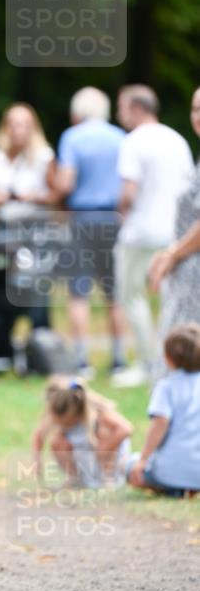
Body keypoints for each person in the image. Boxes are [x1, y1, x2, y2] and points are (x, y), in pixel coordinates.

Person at [112, 84, 195, 387]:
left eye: (121, 107)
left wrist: (119, 215)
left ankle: (149, 362)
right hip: (175, 233)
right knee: (170, 300)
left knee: (132, 295)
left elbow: (128, 193)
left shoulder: (133, 141)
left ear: (136, 108)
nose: (119, 113)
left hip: (139, 233)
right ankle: (177, 359)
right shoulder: (177, 140)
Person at [54, 87, 127, 378]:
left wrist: (57, 195)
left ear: (77, 111)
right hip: (114, 218)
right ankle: (120, 361)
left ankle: (82, 360)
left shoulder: (72, 138)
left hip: (82, 218)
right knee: (115, 292)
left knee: (78, 291)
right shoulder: (120, 138)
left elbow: (66, 183)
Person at [0, 102, 57, 337]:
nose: (19, 130)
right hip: (5, 229)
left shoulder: (44, 157)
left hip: (36, 230)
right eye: (14, 125)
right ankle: (1, 336)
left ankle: (39, 335)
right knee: (2, 282)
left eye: (24, 125)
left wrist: (33, 197)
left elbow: (56, 195)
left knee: (36, 284)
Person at [148, 87, 200, 382]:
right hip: (188, 265)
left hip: (195, 271)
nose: (198, 116)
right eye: (195, 108)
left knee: (184, 354)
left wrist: (172, 254)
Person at [127, 323, 200, 497]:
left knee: (129, 464)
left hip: (171, 471)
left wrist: (143, 459)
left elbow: (160, 423)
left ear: (168, 358)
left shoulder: (167, 387)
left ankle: (172, 487)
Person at [33, 376, 133, 488]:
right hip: (86, 457)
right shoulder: (56, 412)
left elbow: (126, 428)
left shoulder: (97, 411)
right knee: (57, 441)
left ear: (76, 412)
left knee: (104, 433)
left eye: (67, 422)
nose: (63, 425)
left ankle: (108, 480)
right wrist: (37, 460)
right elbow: (39, 435)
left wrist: (106, 446)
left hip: (111, 460)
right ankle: (76, 479)